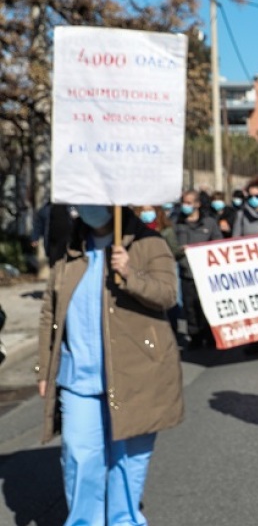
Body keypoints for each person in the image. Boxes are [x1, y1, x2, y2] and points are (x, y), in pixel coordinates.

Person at [36, 205, 183, 526]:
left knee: (128, 460)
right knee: (79, 456)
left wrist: (130, 274)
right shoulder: (70, 250)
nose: (87, 209)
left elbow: (168, 294)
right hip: (79, 378)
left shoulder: (149, 243)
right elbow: (51, 311)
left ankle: (124, 520)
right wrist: (45, 367)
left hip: (138, 375)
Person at [174, 190, 224, 349]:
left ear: (197, 204)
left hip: (206, 273)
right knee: (190, 306)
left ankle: (209, 335)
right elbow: (172, 246)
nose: (185, 206)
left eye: (189, 202)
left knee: (205, 305)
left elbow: (218, 243)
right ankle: (194, 335)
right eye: (184, 202)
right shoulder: (178, 223)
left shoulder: (209, 223)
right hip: (187, 273)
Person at [137, 204, 182, 336]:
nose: (146, 213)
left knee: (170, 299)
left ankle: (172, 329)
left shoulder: (166, 230)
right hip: (144, 268)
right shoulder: (137, 229)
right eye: (143, 211)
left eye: (150, 210)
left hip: (165, 267)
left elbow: (174, 249)